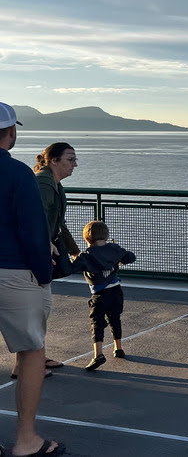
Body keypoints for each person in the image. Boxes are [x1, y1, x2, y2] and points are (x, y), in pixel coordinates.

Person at [0, 102, 66, 456]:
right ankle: (26, 441)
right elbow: (33, 231)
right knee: (31, 352)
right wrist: (43, 275)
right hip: (11, 273)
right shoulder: (18, 174)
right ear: (11, 133)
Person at [19, 143, 82, 377]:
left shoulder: (53, 182)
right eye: (70, 159)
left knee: (37, 309)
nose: (75, 164)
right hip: (36, 255)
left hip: (39, 252)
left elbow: (57, 222)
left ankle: (29, 360)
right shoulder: (44, 183)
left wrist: (74, 249)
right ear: (53, 160)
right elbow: (38, 217)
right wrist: (45, 247)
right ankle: (30, 362)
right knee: (38, 308)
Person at [71, 221, 135, 371]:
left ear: (87, 238)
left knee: (97, 323)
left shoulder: (86, 256)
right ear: (106, 235)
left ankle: (98, 354)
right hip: (116, 291)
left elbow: (70, 268)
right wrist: (120, 256)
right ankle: (118, 348)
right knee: (115, 319)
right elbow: (130, 257)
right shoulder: (114, 250)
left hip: (99, 294)